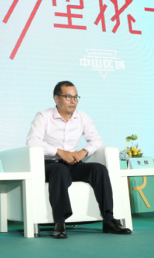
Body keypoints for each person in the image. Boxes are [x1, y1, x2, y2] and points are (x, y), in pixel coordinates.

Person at [26, 81, 131, 238]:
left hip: (73, 163)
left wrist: (83, 152)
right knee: (60, 170)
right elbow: (32, 141)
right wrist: (59, 152)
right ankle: (59, 223)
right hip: (49, 165)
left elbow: (96, 140)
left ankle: (109, 219)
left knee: (99, 169)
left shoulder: (82, 117)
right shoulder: (44, 116)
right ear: (56, 98)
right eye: (68, 97)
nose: (73, 101)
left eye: (76, 97)